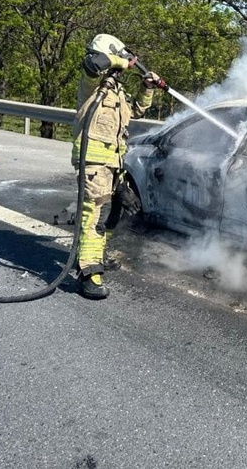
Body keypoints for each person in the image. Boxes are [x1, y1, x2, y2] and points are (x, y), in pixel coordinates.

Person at [71, 33, 164, 300]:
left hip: (114, 162)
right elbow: (93, 64)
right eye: (119, 56)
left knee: (117, 211)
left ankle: (96, 255)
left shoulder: (115, 91)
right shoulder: (92, 85)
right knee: (94, 217)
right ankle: (89, 275)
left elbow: (135, 110)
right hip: (93, 162)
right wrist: (124, 61)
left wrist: (147, 87)